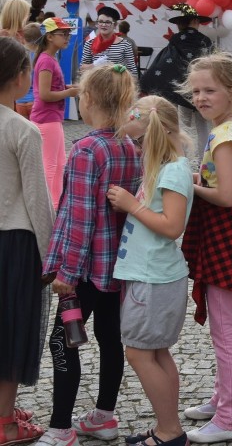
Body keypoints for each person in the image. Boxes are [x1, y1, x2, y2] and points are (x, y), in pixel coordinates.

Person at [37, 64, 141, 446]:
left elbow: (80, 219)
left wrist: (66, 271)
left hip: (84, 270)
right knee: (110, 338)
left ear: (90, 100)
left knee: (62, 341)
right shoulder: (129, 146)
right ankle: (104, 416)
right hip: (116, 265)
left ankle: (61, 427)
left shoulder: (86, 149)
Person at [180, 54, 232, 444]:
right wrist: (201, 176)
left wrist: (187, 184)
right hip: (227, 230)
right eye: (195, 90)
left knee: (225, 331)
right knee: (224, 327)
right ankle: (221, 399)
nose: (200, 97)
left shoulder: (225, 135)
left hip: (225, 230)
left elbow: (227, 196)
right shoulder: (230, 128)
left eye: (209, 90)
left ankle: (230, 416)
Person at [106, 96, 194, 446]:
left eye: (138, 140)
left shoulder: (172, 170)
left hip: (154, 279)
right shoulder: (169, 166)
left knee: (139, 352)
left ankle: (170, 431)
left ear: (156, 135)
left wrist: (132, 205)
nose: (135, 147)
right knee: (156, 352)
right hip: (153, 277)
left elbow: (172, 226)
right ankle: (167, 426)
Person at [0, 37, 54, 446]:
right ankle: (5, 423)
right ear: (20, 77)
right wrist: (52, 256)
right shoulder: (22, 129)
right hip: (15, 241)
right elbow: (38, 199)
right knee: (13, 328)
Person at [140, 3, 214, 162]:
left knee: (183, 125)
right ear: (194, 21)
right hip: (202, 87)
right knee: (203, 125)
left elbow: (166, 62)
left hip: (183, 89)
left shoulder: (175, 39)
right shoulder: (205, 40)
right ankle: (205, 159)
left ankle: (183, 157)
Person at [31, 18, 79, 208]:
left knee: (59, 165)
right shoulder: (46, 61)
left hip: (52, 119)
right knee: (51, 166)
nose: (67, 37)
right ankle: (50, 208)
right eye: (63, 34)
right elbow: (44, 95)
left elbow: (49, 89)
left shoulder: (49, 59)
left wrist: (66, 88)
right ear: (49, 37)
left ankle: (56, 205)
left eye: (68, 33)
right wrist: (68, 93)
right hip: (46, 119)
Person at [81, 7, 137, 77]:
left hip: (117, 85)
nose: (103, 25)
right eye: (100, 21)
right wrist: (94, 65)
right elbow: (82, 69)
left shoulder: (125, 44)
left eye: (108, 22)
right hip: (95, 84)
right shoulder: (89, 43)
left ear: (115, 25)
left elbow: (132, 71)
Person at [14, 23, 41, 119]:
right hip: (36, 99)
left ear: (24, 37)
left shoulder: (18, 54)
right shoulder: (42, 56)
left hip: (20, 100)